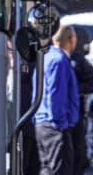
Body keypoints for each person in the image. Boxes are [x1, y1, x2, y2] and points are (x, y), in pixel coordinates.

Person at [35, 25, 80, 175]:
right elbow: (56, 95)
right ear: (71, 39)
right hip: (54, 125)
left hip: (42, 123)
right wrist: (60, 124)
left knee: (47, 168)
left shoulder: (46, 57)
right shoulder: (59, 60)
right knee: (59, 170)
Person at [70, 27, 93, 175]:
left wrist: (74, 90)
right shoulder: (51, 57)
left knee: (79, 155)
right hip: (54, 119)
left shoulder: (76, 59)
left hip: (74, 115)